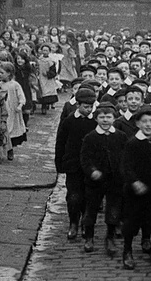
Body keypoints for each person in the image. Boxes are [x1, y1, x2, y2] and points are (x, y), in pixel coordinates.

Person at [120, 105, 151, 279]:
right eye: (144, 121)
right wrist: (134, 181)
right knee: (131, 222)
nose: (148, 125)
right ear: (138, 123)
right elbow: (126, 166)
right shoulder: (133, 142)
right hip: (136, 192)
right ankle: (127, 251)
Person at [79, 102, 128, 255]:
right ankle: (89, 237)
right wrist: (92, 171)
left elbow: (126, 157)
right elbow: (85, 158)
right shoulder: (91, 137)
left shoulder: (120, 136)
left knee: (113, 208)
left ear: (114, 119)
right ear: (96, 119)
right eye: (102, 117)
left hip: (115, 180)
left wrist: (123, 172)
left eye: (108, 117)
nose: (105, 120)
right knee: (91, 209)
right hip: (95, 181)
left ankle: (110, 237)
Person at [55, 88, 98, 240]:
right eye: (85, 106)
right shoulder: (69, 121)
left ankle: (86, 224)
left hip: (91, 166)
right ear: (78, 105)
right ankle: (73, 222)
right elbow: (60, 142)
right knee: (73, 196)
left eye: (91, 106)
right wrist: (59, 163)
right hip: (73, 165)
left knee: (88, 197)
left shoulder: (96, 122)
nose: (88, 109)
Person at [0, 62, 28, 153]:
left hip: (13, 111)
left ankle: (10, 149)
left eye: (2, 73)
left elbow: (21, 96)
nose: (0, 75)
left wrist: (20, 105)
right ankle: (6, 147)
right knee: (4, 128)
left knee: (11, 129)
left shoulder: (15, 84)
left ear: (9, 73)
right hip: (2, 110)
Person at [37, 43, 60, 114]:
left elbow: (54, 72)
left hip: (48, 79)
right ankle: (42, 106)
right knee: (41, 92)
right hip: (40, 78)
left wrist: (48, 74)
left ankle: (46, 105)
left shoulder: (51, 61)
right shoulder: (39, 60)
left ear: (49, 51)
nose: (45, 52)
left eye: (46, 51)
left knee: (47, 93)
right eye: (43, 50)